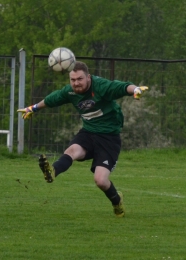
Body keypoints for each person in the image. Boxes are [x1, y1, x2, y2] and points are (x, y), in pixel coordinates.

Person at [17, 61, 148, 217]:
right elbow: (52, 99)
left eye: (79, 79)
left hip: (108, 138)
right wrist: (33, 108)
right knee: (72, 151)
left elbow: (122, 86)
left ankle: (116, 201)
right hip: (88, 132)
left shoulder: (100, 86)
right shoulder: (70, 92)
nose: (76, 83)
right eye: (72, 80)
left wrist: (136, 90)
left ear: (88, 77)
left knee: (100, 180)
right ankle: (53, 171)